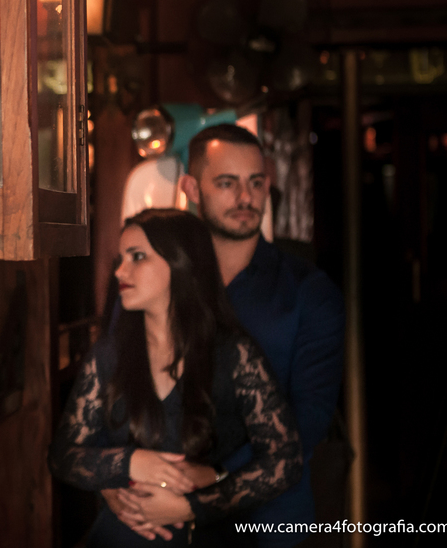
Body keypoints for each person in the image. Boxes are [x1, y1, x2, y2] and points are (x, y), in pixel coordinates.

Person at [103, 124, 345, 545]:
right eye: (227, 184)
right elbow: (112, 381)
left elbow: (311, 415)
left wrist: (215, 477)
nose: (245, 198)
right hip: (152, 511)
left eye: (255, 183)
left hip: (266, 518)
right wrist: (111, 473)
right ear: (192, 189)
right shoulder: (147, 277)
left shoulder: (309, 291)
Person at [50, 209, 303, 546]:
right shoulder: (109, 355)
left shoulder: (234, 354)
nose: (121, 271)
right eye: (120, 259)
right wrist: (129, 463)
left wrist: (191, 507)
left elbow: (285, 459)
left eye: (138, 257)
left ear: (182, 263)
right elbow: (62, 456)